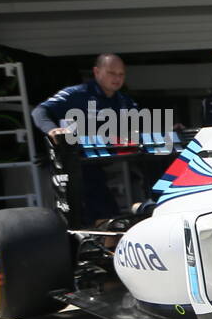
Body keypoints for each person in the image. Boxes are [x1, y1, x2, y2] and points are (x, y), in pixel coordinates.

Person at [31, 53, 137, 222]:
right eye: (111, 73)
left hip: (95, 165)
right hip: (69, 165)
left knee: (106, 213)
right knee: (101, 213)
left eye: (121, 74)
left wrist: (168, 129)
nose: (117, 78)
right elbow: (39, 111)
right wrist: (52, 130)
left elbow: (142, 124)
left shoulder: (123, 101)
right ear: (96, 72)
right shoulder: (76, 94)